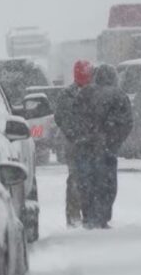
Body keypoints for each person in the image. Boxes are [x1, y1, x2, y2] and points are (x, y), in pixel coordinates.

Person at [73, 64, 132, 229]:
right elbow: (127, 122)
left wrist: (81, 137)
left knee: (86, 181)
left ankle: (88, 215)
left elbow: (74, 118)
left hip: (85, 146)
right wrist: (114, 140)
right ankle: (102, 216)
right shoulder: (119, 96)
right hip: (107, 148)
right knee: (107, 182)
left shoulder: (84, 93)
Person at [54, 60, 93, 227]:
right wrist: (73, 134)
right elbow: (60, 117)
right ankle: (74, 218)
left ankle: (89, 216)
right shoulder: (67, 95)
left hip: (90, 143)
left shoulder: (93, 92)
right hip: (74, 143)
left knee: (90, 179)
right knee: (76, 179)